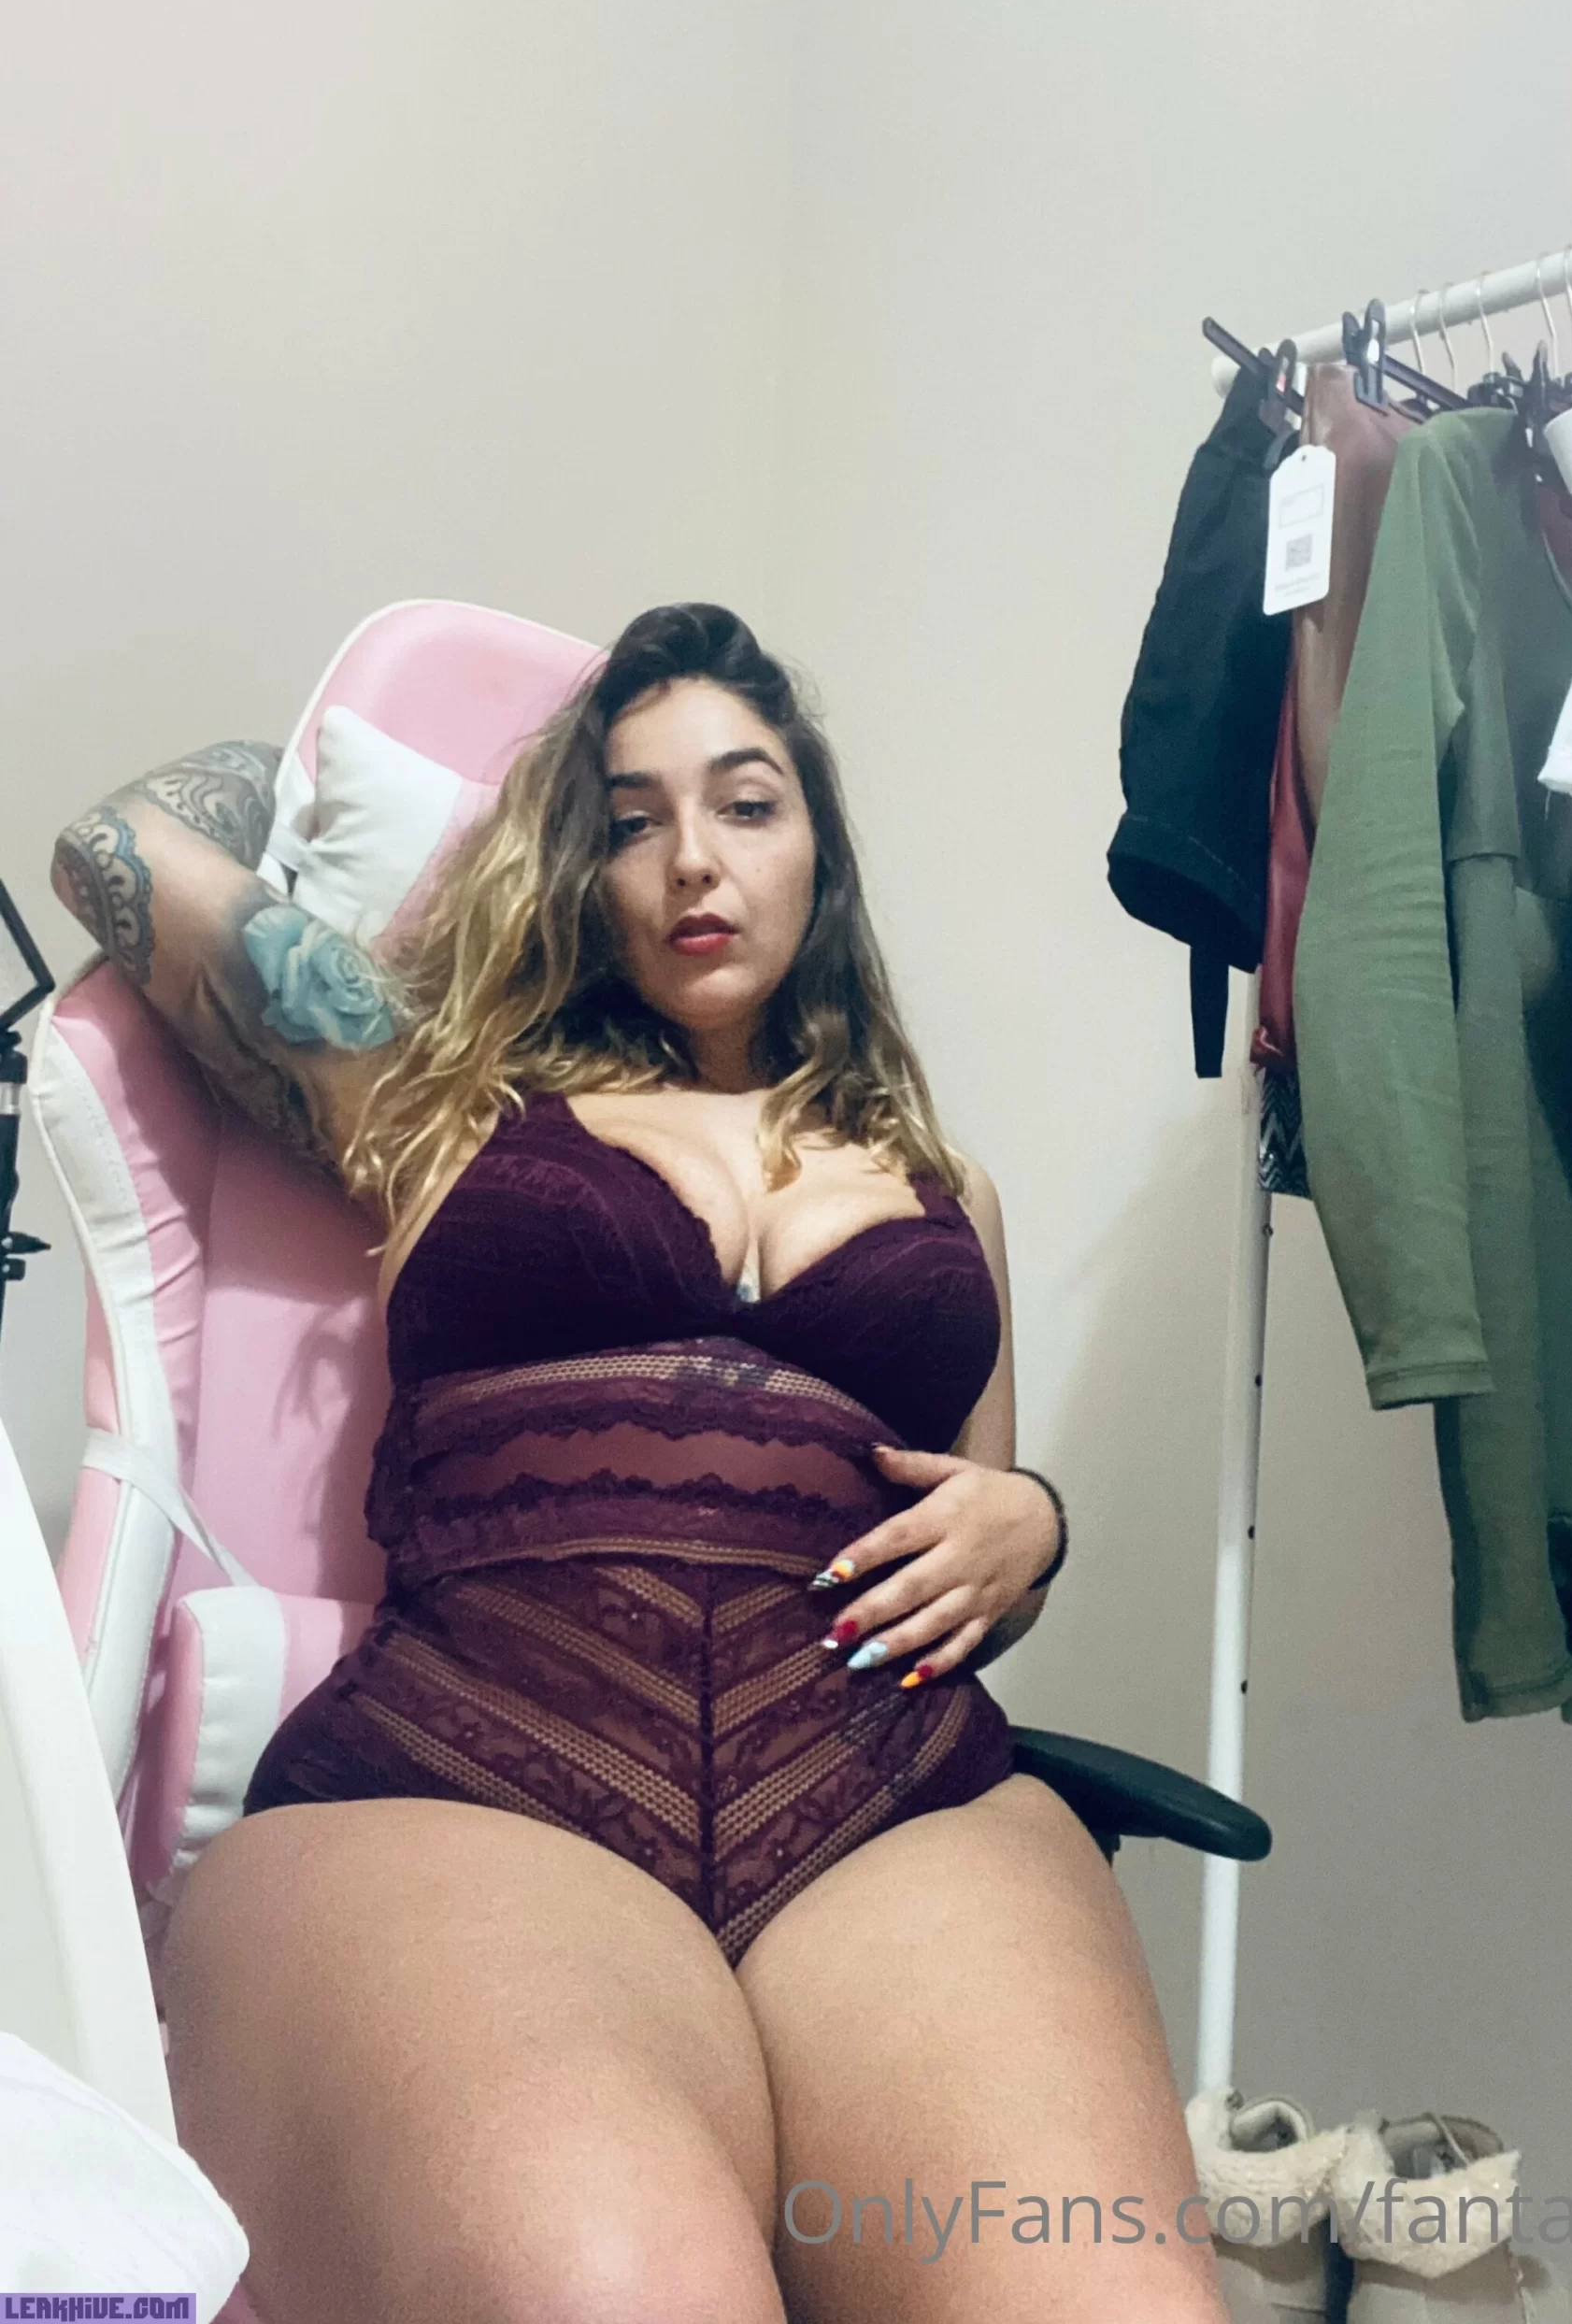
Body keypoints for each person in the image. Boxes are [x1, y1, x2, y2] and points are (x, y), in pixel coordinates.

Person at [51, 603, 1229, 2324]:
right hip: (477, 1777)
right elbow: (121, 851)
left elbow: (970, 1533)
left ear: (820, 852)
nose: (693, 858)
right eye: (629, 819)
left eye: (746, 803)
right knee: (619, 2294)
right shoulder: (438, 1095)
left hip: (890, 1806)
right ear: (577, 869)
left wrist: (1034, 1525)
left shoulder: (944, 1182)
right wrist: (362, 804)